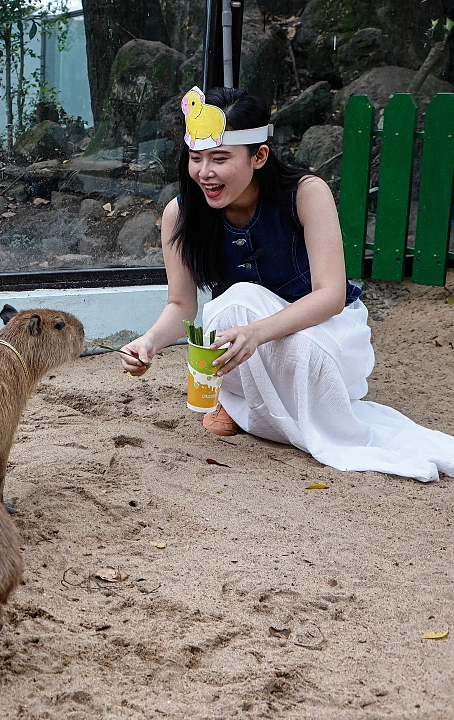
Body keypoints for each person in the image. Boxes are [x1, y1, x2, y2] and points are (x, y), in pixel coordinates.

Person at [119, 86, 454, 482]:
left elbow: (331, 296)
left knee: (237, 303)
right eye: (196, 158)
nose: (204, 172)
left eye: (220, 158)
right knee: (225, 311)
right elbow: (182, 305)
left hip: (326, 335)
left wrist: (256, 332)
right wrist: (149, 342)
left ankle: (247, 407)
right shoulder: (181, 213)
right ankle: (242, 400)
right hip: (246, 342)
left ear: (259, 156)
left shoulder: (306, 193)